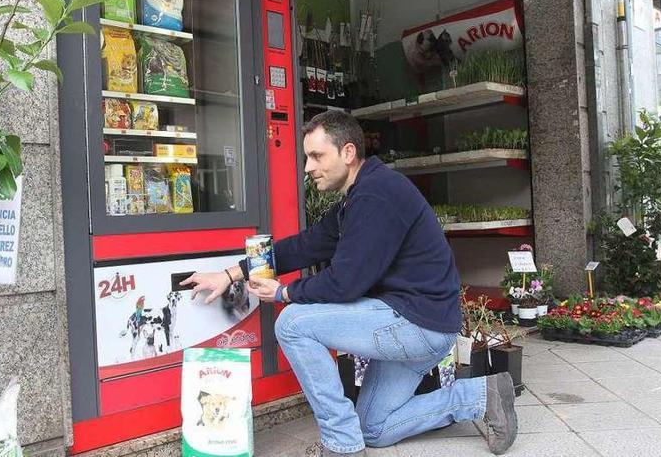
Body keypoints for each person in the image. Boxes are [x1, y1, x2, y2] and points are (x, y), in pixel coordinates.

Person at [181, 111, 517, 456]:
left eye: (316, 156)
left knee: (293, 323)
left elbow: (345, 283)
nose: (308, 168)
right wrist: (230, 274)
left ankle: (341, 444)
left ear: (348, 152)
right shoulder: (359, 196)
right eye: (306, 158)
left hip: (417, 324)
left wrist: (284, 293)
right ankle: (483, 396)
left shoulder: (376, 195)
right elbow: (305, 245)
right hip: (419, 322)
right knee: (374, 427)